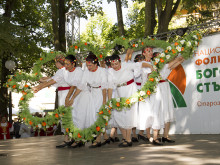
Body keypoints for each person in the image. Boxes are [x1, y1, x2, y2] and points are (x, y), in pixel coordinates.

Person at [108, 54, 152, 147]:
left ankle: (128, 139)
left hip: (130, 91)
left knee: (129, 115)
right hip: (118, 93)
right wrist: (109, 100)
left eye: (116, 64)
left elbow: (141, 64)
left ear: (120, 62)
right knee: (117, 115)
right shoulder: (110, 71)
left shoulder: (126, 65)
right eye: (113, 65)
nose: (115, 66)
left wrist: (151, 67)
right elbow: (110, 87)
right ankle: (126, 138)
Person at [68, 53, 108, 148]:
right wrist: (72, 97)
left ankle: (98, 140)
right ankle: (99, 137)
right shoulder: (86, 72)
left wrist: (104, 101)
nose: (88, 67)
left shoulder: (102, 71)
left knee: (98, 115)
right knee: (92, 116)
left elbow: (104, 87)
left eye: (90, 65)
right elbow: (81, 86)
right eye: (87, 65)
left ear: (95, 64)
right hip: (92, 93)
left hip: (101, 93)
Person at [137, 46, 164, 146]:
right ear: (143, 53)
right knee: (147, 112)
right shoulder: (141, 64)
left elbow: (158, 76)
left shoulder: (155, 63)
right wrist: (152, 69)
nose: (150, 52)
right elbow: (148, 76)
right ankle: (149, 136)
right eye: (148, 51)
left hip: (156, 90)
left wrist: (154, 68)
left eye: (151, 51)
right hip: (146, 91)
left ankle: (156, 137)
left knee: (156, 111)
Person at [157, 55, 185, 143]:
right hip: (159, 88)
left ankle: (166, 136)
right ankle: (156, 136)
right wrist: (177, 57)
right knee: (159, 111)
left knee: (167, 111)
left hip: (165, 87)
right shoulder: (157, 67)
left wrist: (184, 55)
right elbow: (175, 61)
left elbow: (178, 62)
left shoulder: (167, 66)